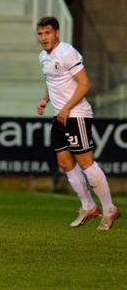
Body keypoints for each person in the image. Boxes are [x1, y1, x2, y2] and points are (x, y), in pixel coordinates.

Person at [36, 16, 120, 230]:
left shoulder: (67, 52)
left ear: (57, 33)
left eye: (47, 32)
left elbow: (85, 84)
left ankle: (109, 209)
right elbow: (52, 81)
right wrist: (45, 99)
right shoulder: (43, 57)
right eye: (40, 33)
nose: (44, 37)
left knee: (86, 163)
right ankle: (89, 207)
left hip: (77, 115)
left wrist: (66, 108)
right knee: (64, 162)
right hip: (60, 116)